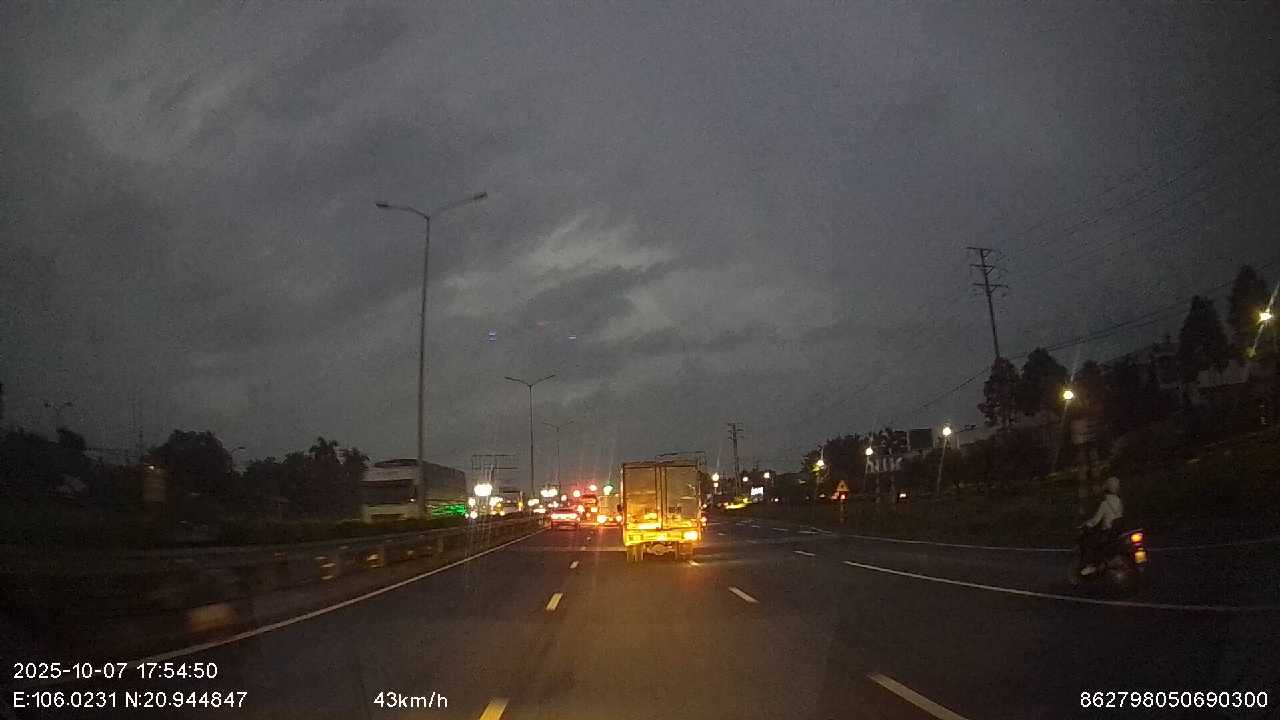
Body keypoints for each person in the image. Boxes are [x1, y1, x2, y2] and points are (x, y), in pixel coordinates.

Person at [1078, 476, 1124, 575]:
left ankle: (1092, 566)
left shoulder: (1105, 503)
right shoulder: (1119, 501)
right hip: (1117, 531)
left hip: (1107, 532)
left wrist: (1086, 525)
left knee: (1090, 543)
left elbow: (1095, 520)